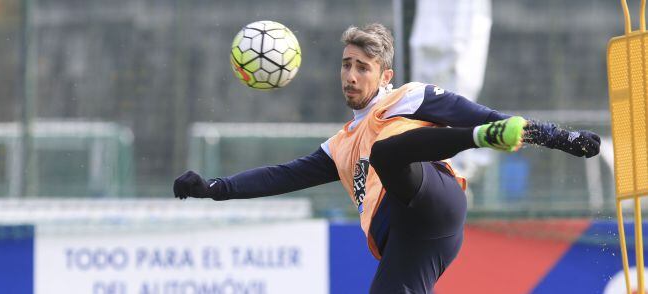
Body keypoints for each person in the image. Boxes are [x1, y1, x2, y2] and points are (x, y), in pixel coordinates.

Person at [173, 23, 600, 293]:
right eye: (346, 65)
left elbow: (491, 118)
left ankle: (476, 141)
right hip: (409, 242)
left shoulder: (408, 97)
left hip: (434, 200)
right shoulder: (339, 146)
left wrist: (564, 139)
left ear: (385, 76)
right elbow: (281, 176)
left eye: (363, 67)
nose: (351, 75)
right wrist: (215, 188)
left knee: (387, 151)